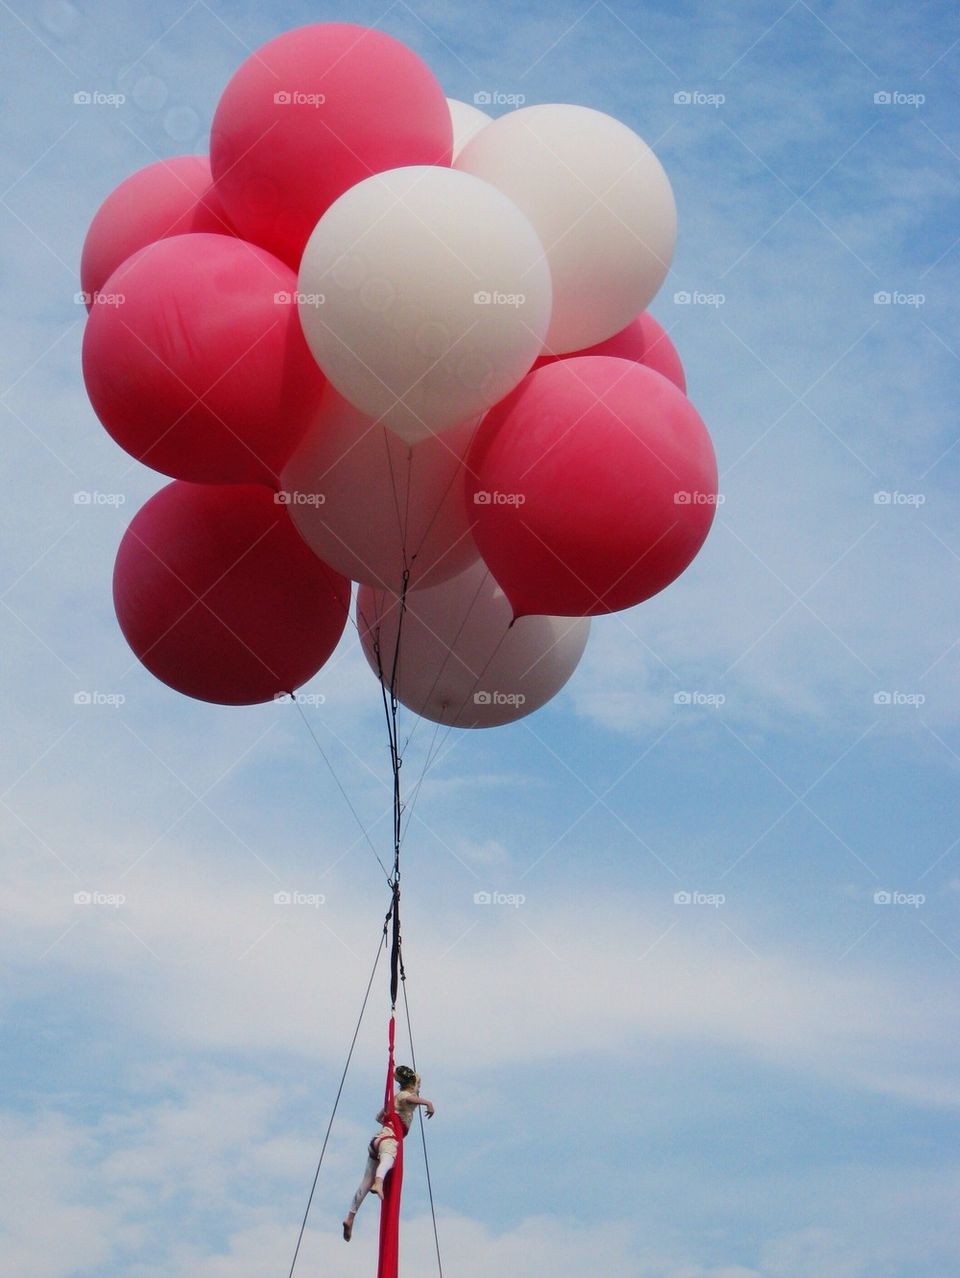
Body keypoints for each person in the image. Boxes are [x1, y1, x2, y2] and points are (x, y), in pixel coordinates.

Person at [342, 1065, 435, 1242]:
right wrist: (428, 1103)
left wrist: (391, 1115)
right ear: (413, 1085)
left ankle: (350, 1218)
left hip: (377, 1140)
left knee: (365, 1182)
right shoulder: (405, 1096)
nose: (419, 1090)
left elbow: (379, 1117)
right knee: (389, 1160)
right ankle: (379, 1183)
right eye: (418, 1086)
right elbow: (411, 1099)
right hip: (389, 1139)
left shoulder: (394, 1100)